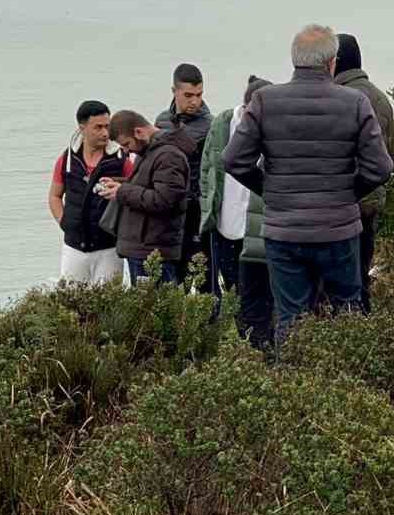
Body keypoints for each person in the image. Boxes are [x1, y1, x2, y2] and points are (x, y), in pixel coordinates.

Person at [223, 24, 394, 340]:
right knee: (347, 313)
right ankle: (348, 371)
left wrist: (271, 191)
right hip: (339, 229)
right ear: (331, 62)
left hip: (284, 231)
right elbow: (381, 167)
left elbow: (233, 160)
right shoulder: (355, 102)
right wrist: (347, 194)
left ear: (294, 60)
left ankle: (292, 370)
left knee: (290, 317)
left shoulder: (263, 101)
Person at [200, 75, 275, 348]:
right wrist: (207, 209)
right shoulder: (221, 124)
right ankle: (245, 344)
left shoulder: (273, 128)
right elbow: (207, 170)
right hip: (225, 226)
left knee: (258, 293)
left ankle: (260, 344)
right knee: (233, 291)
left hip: (257, 230)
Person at [333, 33, 394, 311]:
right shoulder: (380, 99)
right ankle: (363, 321)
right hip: (370, 202)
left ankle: (343, 324)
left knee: (338, 280)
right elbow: (387, 157)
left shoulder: (338, 98)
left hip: (340, 205)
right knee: (361, 272)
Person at [105, 109, 196, 286]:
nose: (126, 151)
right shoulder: (149, 151)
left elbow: (164, 200)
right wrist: (118, 184)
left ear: (138, 132)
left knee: (155, 303)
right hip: (144, 247)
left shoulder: (168, 155)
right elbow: (148, 185)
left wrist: (122, 192)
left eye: (126, 144)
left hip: (154, 250)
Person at [47, 99, 134, 285]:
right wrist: (65, 223)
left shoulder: (122, 160)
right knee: (71, 299)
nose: (105, 133)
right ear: (82, 128)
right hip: (73, 248)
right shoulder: (67, 160)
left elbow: (135, 193)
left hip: (109, 248)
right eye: (98, 127)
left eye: (107, 126)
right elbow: (54, 196)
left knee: (110, 299)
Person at [154, 63, 212, 280]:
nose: (194, 101)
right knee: (170, 274)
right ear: (174, 91)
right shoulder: (161, 121)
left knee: (201, 273)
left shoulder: (210, 125)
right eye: (188, 95)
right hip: (168, 210)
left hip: (196, 209)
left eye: (199, 95)